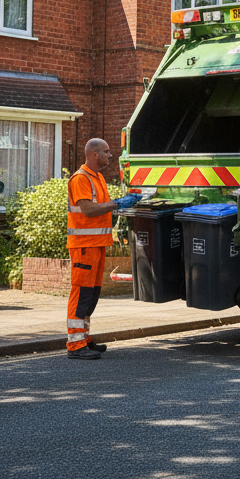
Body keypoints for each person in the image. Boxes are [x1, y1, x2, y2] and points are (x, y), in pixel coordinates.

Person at [65, 138, 141, 360]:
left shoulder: (97, 178)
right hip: (84, 247)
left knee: (92, 294)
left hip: (96, 245)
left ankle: (84, 338)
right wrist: (118, 203)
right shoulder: (81, 178)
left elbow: (101, 209)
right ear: (94, 154)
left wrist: (120, 206)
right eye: (106, 152)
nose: (110, 155)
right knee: (81, 293)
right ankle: (75, 344)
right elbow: (88, 210)